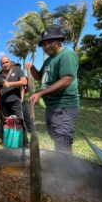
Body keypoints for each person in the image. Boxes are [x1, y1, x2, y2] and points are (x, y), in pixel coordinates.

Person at [25, 25, 79, 154]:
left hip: (63, 106)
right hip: (52, 106)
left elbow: (66, 79)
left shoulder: (67, 54)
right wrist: (31, 68)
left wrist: (41, 93)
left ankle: (65, 169)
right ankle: (60, 164)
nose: (46, 46)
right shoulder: (49, 60)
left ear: (59, 40)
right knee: (55, 136)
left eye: (50, 42)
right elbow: (39, 77)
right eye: (44, 44)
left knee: (62, 140)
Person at [0, 56, 28, 146]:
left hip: (15, 102)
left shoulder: (17, 71)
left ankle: (24, 141)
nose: (5, 65)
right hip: (3, 103)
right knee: (5, 122)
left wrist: (11, 84)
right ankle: (6, 139)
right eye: (3, 63)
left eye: (6, 62)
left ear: (9, 62)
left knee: (20, 121)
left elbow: (24, 82)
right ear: (0, 65)